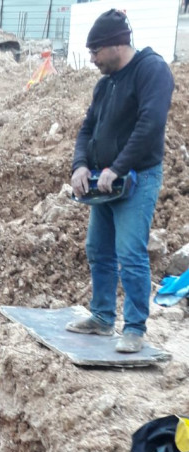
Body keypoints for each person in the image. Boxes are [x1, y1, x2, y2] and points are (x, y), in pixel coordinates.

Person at [66, 9, 174, 354]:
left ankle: (135, 328)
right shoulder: (105, 84)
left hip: (137, 178)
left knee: (130, 252)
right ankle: (101, 317)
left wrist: (119, 167)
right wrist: (81, 165)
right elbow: (87, 130)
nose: (93, 59)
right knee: (98, 249)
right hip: (106, 182)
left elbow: (150, 124)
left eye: (95, 51)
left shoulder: (151, 70)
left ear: (116, 45)